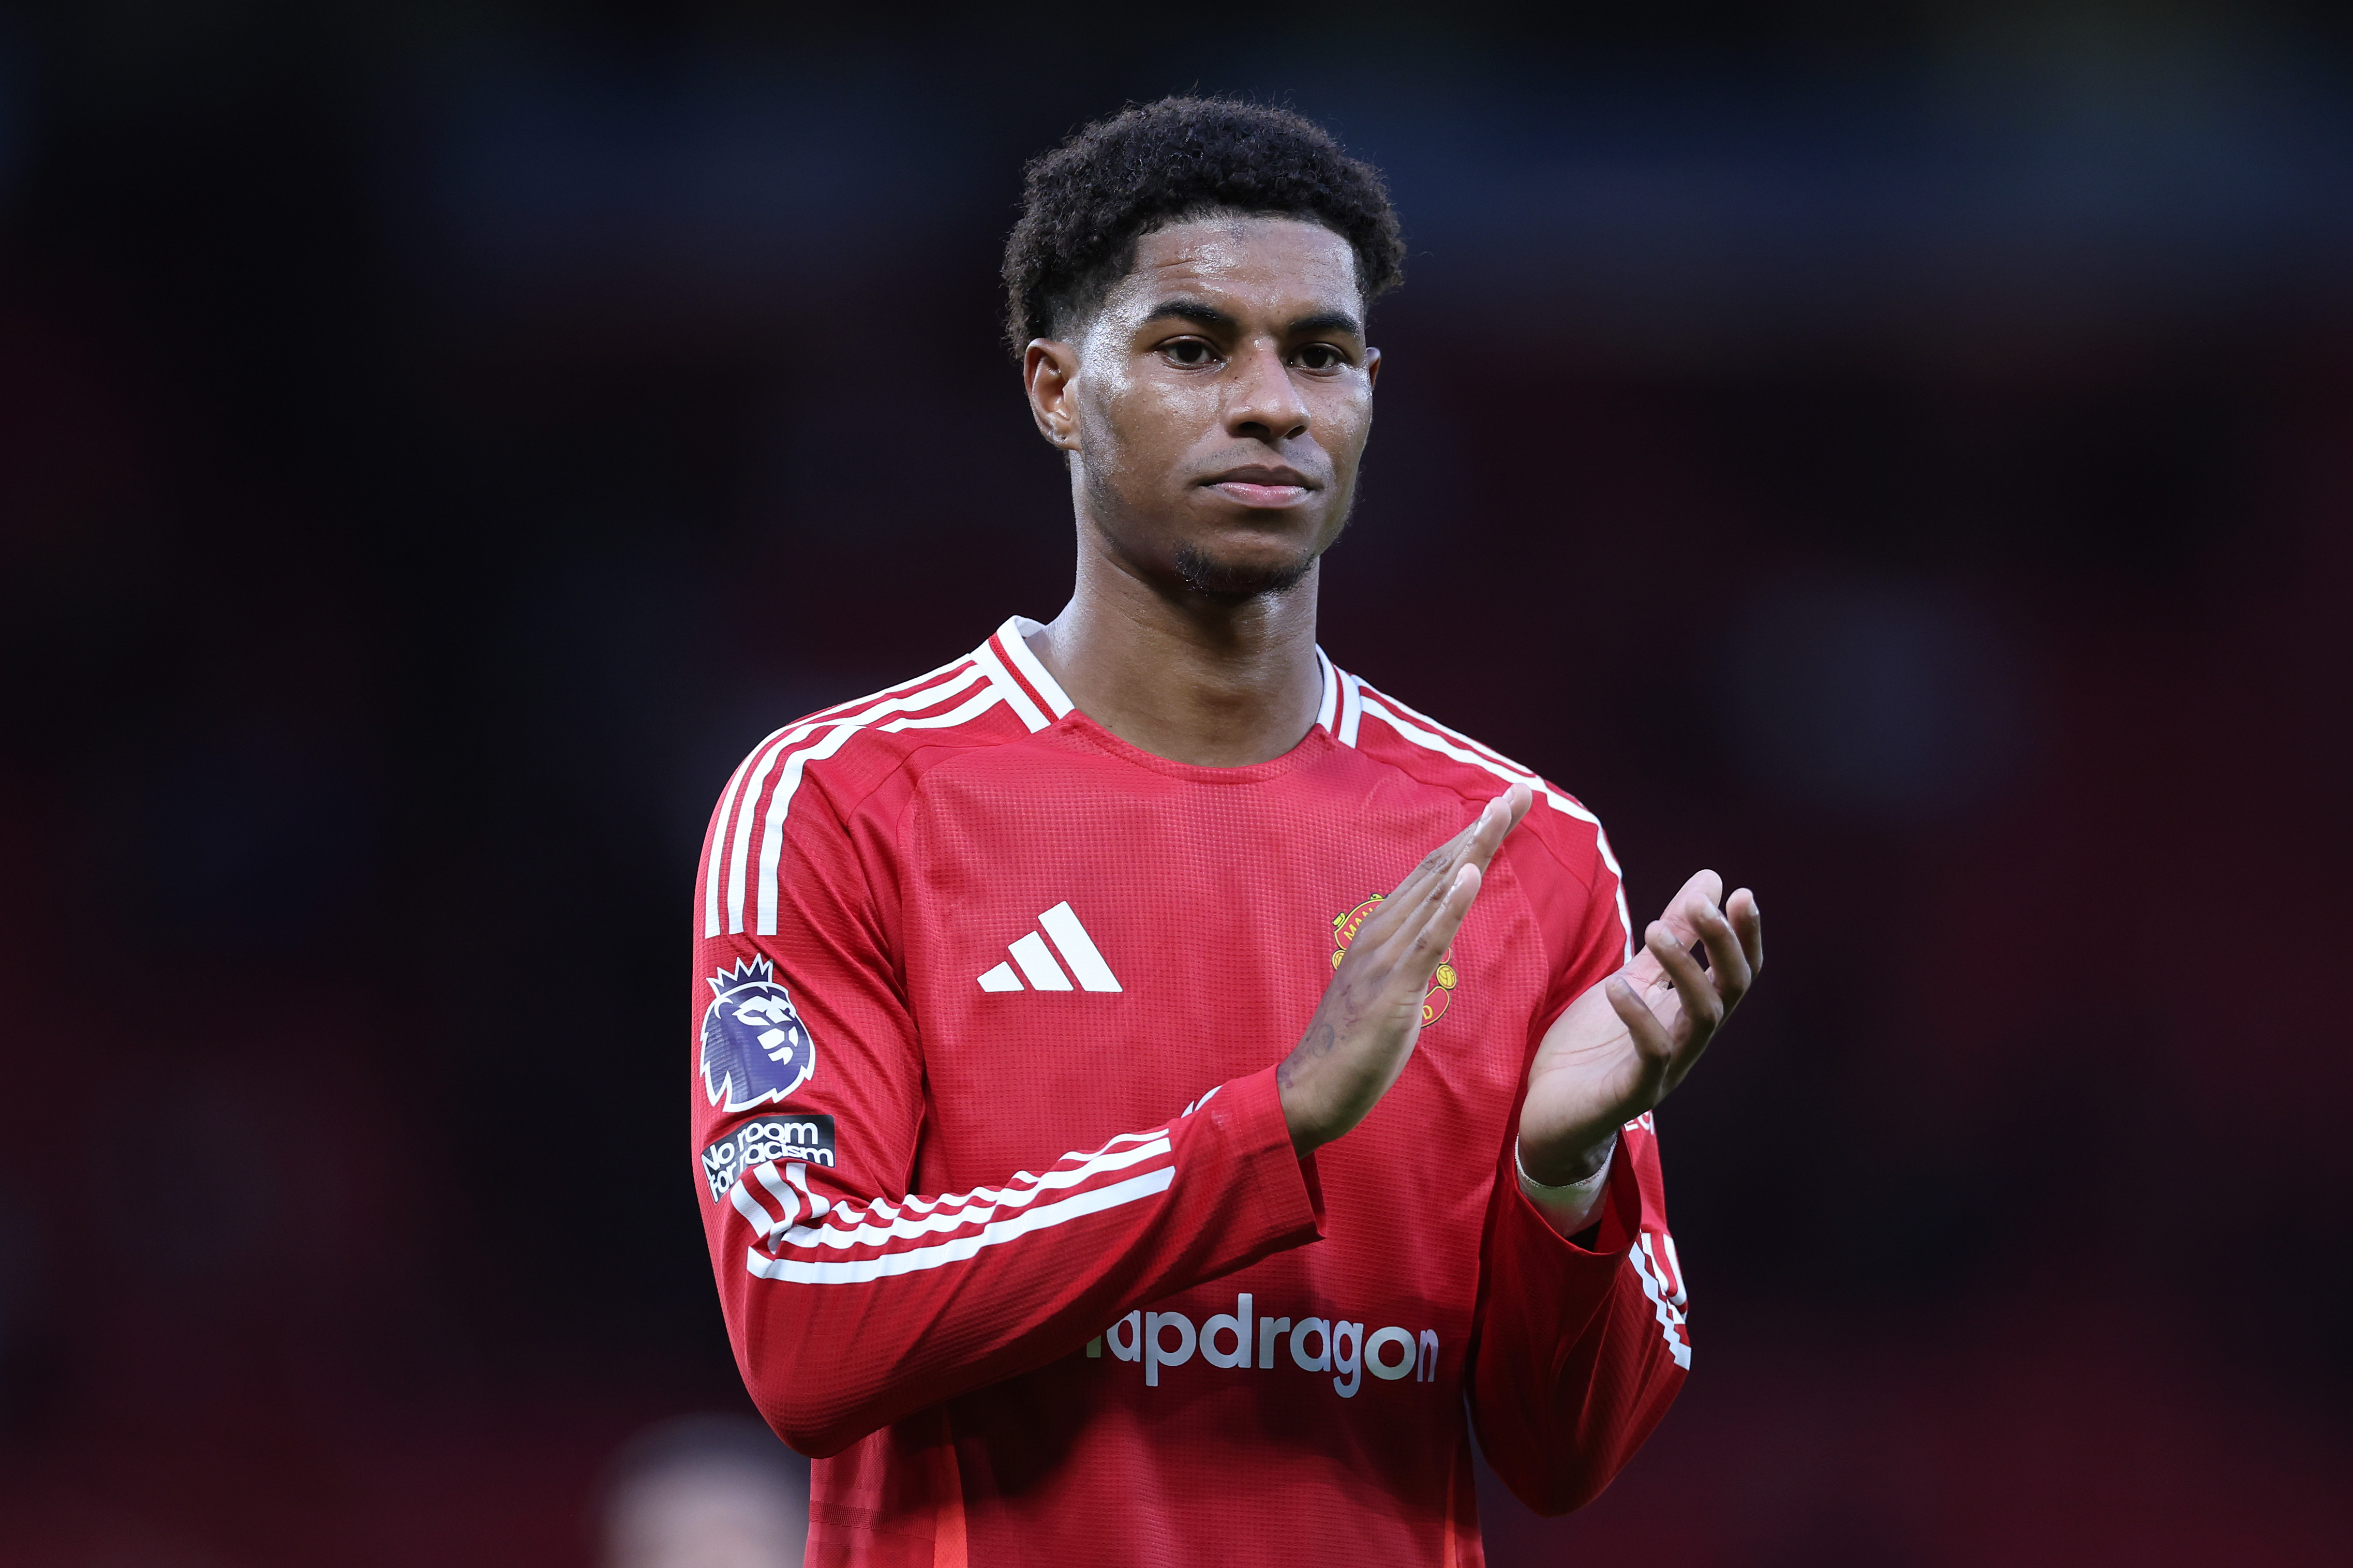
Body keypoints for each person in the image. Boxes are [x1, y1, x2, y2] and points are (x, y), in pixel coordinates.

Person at [687, 97, 1762, 1568]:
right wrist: (1265, 1132)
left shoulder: (1520, 850)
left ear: (1368, 392)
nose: (1272, 405)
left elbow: (1565, 1458)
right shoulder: (844, 801)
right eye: (1194, 350)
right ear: (1056, 390)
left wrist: (1559, 1181)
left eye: (1319, 355)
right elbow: (803, 1325)